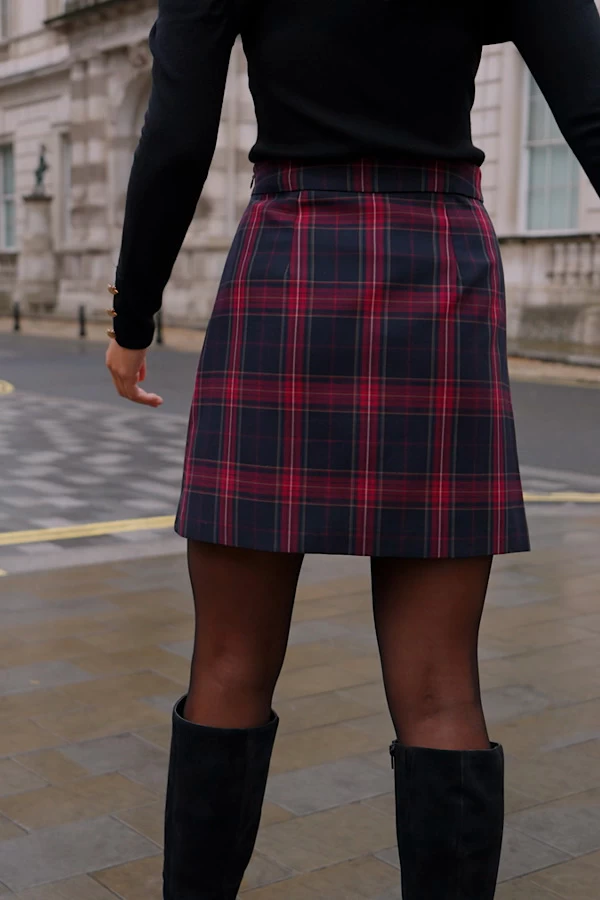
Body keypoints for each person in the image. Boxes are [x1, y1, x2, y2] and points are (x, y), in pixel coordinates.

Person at [105, 1, 600, 897]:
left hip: (287, 260)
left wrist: (132, 315)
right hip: (440, 266)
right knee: (442, 684)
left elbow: (175, 135)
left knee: (228, 664)